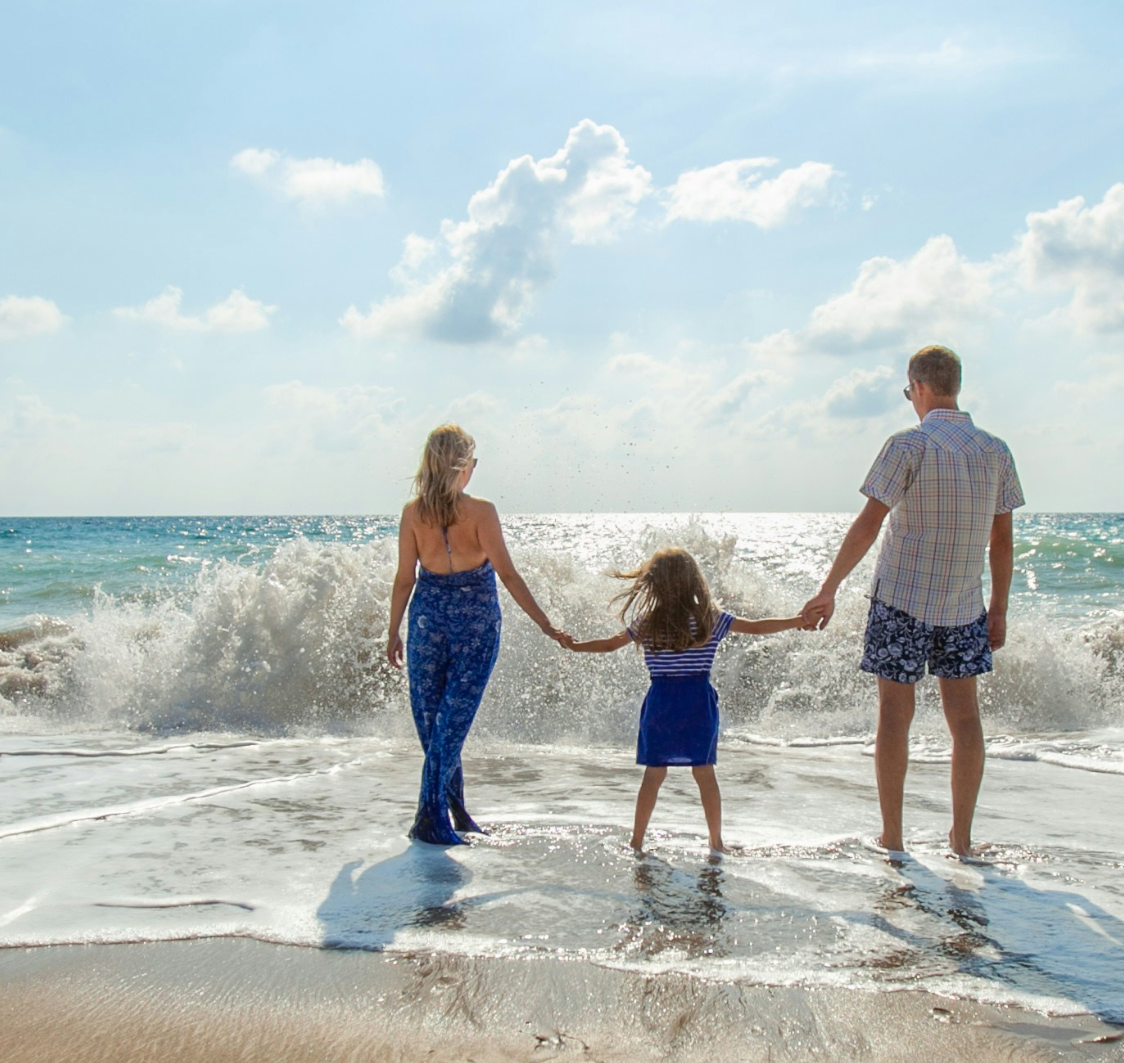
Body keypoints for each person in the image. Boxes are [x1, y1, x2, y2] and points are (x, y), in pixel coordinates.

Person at [799, 345, 1023, 857]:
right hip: (965, 607)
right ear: (956, 386)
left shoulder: (908, 446)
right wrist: (1001, 608)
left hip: (900, 601)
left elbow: (868, 524)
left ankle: (894, 837)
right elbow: (1002, 542)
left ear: (919, 386)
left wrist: (829, 587)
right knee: (965, 719)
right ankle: (961, 840)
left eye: (908, 391)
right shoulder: (995, 451)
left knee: (895, 716)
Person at [557, 547, 809, 854]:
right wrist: (798, 620)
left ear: (654, 584)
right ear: (693, 581)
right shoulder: (709, 619)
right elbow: (757, 627)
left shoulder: (647, 621)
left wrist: (576, 646)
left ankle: (637, 841)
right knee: (704, 773)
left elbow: (610, 645)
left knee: (654, 774)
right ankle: (716, 842)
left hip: (661, 702)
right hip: (697, 702)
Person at [384, 425, 566, 846]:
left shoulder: (414, 513)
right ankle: (432, 818)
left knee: (437, 726)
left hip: (427, 623)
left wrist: (393, 629)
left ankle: (453, 813)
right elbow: (507, 573)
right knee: (447, 726)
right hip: (476, 625)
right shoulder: (481, 512)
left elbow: (404, 579)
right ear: (464, 467)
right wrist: (544, 623)